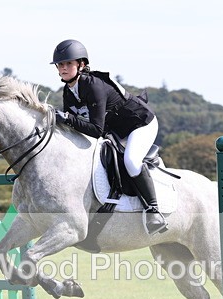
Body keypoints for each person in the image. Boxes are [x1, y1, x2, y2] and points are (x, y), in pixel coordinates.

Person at [50, 39, 168, 235]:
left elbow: (95, 129)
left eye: (68, 63)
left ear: (81, 64)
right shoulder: (68, 91)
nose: (63, 68)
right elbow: (75, 125)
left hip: (139, 123)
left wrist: (67, 119)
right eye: (60, 64)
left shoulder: (93, 86)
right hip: (114, 130)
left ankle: (153, 211)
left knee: (131, 161)